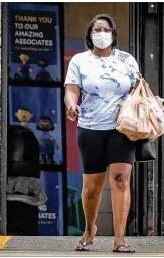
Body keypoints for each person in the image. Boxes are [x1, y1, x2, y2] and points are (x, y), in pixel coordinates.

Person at [64, 14, 141, 253]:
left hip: (122, 128)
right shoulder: (80, 60)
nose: (101, 33)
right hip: (90, 128)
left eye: (105, 29)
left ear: (113, 33)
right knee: (91, 188)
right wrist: (71, 104)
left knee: (120, 179)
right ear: (89, 35)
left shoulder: (127, 60)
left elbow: (138, 88)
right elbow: (72, 89)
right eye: (96, 29)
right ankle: (90, 229)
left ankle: (120, 239)